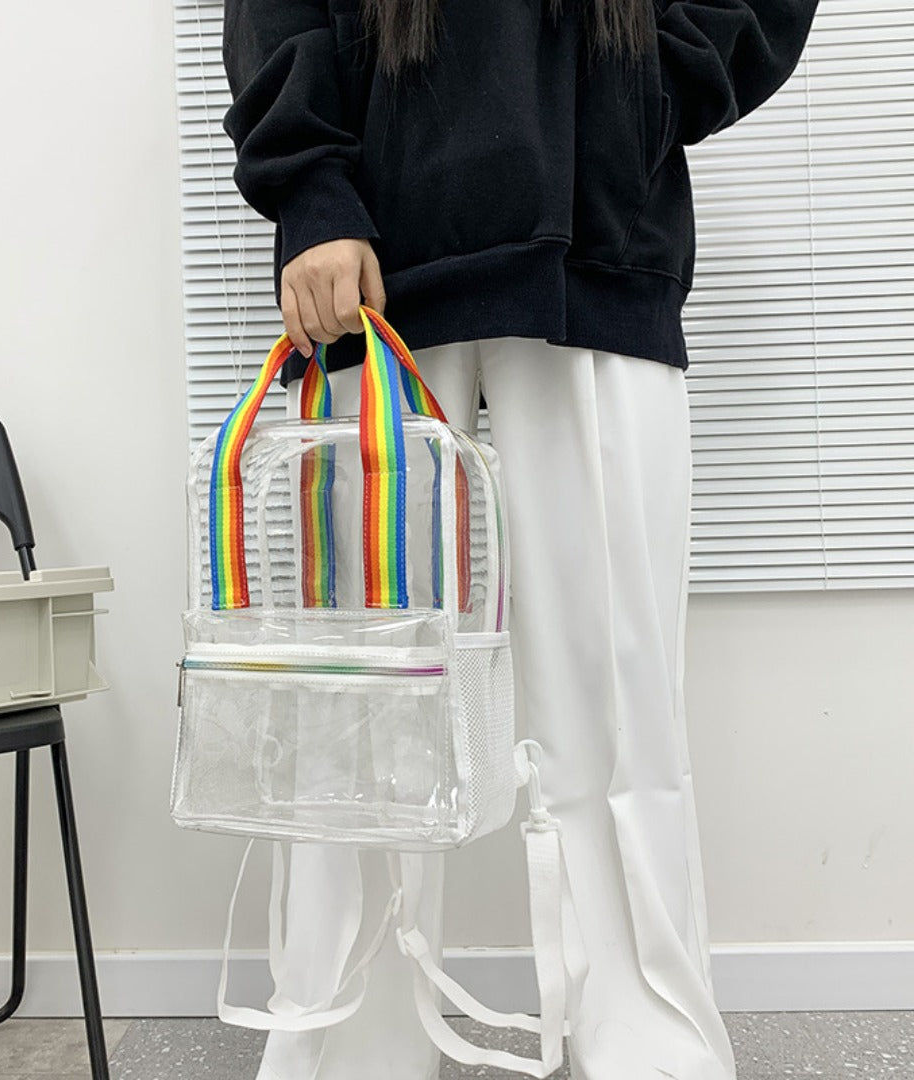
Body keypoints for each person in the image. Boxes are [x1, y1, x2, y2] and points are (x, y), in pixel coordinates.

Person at [219, 1, 820, 1077]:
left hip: (599, 243)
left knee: (617, 686)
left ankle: (647, 1038)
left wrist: (643, 88)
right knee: (367, 698)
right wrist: (310, 192)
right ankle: (344, 1047)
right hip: (374, 266)